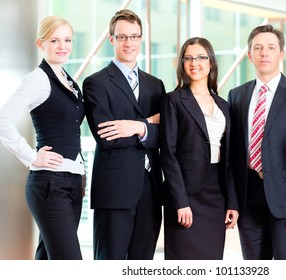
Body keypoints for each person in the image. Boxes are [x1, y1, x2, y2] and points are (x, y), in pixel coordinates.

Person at [228, 24, 286, 260]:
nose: (264, 53)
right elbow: (233, 153)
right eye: (257, 48)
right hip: (247, 197)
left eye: (270, 47)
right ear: (249, 55)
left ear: (281, 54)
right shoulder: (236, 95)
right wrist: (233, 201)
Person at [82, 9, 165, 260]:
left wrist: (135, 126)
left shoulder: (155, 84)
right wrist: (148, 125)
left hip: (151, 189)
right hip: (115, 191)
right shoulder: (96, 83)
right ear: (112, 39)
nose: (129, 43)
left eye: (134, 36)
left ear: (141, 39)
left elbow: (166, 134)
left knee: (143, 263)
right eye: (122, 37)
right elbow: (108, 137)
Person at [0, 16, 85, 260]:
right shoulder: (37, 79)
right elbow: (3, 120)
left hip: (71, 183)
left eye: (67, 40)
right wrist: (32, 157)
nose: (63, 46)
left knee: (47, 260)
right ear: (41, 44)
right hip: (50, 184)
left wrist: (79, 170)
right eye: (54, 40)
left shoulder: (68, 80)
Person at [160, 37, 239, 260]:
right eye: (189, 58)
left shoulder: (223, 104)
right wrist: (180, 201)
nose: (195, 63)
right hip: (186, 193)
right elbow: (168, 154)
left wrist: (232, 202)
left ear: (211, 62)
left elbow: (230, 158)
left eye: (201, 57)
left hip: (217, 195)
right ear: (182, 64)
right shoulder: (174, 100)